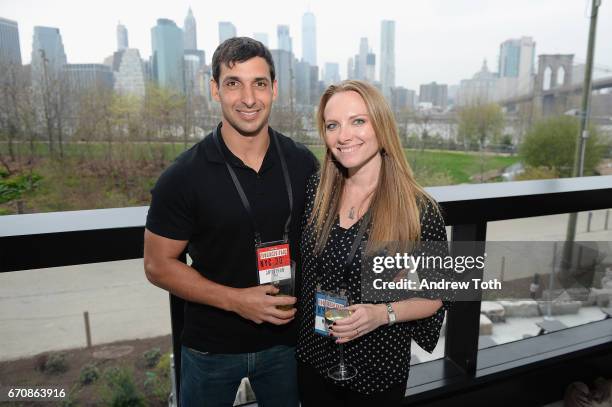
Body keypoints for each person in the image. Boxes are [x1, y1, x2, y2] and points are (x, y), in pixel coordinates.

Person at [143, 37, 318, 407]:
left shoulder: (303, 163)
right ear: (215, 90)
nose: (249, 98)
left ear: (274, 89)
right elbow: (157, 266)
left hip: (286, 342)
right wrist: (237, 301)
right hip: (210, 348)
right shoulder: (183, 176)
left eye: (259, 83)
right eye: (233, 83)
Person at [296, 80, 452, 406]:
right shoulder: (316, 191)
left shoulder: (418, 210)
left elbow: (436, 296)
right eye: (332, 125)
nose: (344, 135)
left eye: (358, 121)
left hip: (377, 368)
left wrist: (382, 314)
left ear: (381, 125)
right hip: (314, 358)